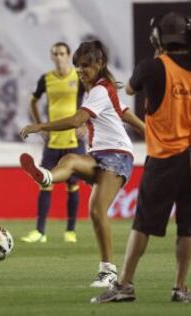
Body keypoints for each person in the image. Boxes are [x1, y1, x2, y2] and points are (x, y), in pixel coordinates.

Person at [91, 12, 191, 303]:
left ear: (159, 39)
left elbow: (133, 87)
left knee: (144, 223)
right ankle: (180, 288)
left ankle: (124, 284)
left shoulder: (152, 67)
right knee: (189, 225)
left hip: (166, 156)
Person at [20, 40, 145, 287]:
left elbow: (78, 120)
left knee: (97, 210)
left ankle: (109, 273)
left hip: (117, 155)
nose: (80, 71)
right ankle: (46, 177)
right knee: (71, 160)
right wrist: (148, 130)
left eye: (85, 66)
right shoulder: (102, 89)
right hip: (99, 155)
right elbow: (123, 111)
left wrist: (41, 126)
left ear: (100, 64)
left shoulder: (99, 90)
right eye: (78, 67)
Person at [20, 42, 86, 244]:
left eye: (62, 53)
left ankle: (70, 231)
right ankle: (40, 232)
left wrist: (85, 124)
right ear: (52, 57)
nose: (58, 57)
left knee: (72, 186)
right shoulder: (46, 79)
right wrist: (40, 125)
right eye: (55, 54)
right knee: (44, 183)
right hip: (53, 142)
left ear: (68, 55)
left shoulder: (79, 77)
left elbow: (96, 100)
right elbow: (32, 100)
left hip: (73, 141)